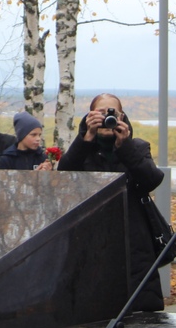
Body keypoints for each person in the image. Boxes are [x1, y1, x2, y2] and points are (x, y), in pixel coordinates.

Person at [58, 93, 165, 311]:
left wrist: (124, 146)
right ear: (90, 116)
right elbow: (64, 177)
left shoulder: (137, 147)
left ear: (122, 116)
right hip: (91, 240)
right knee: (92, 309)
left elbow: (151, 180)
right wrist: (85, 139)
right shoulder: (82, 150)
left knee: (139, 309)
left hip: (133, 240)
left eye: (112, 112)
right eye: (101, 112)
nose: (107, 117)